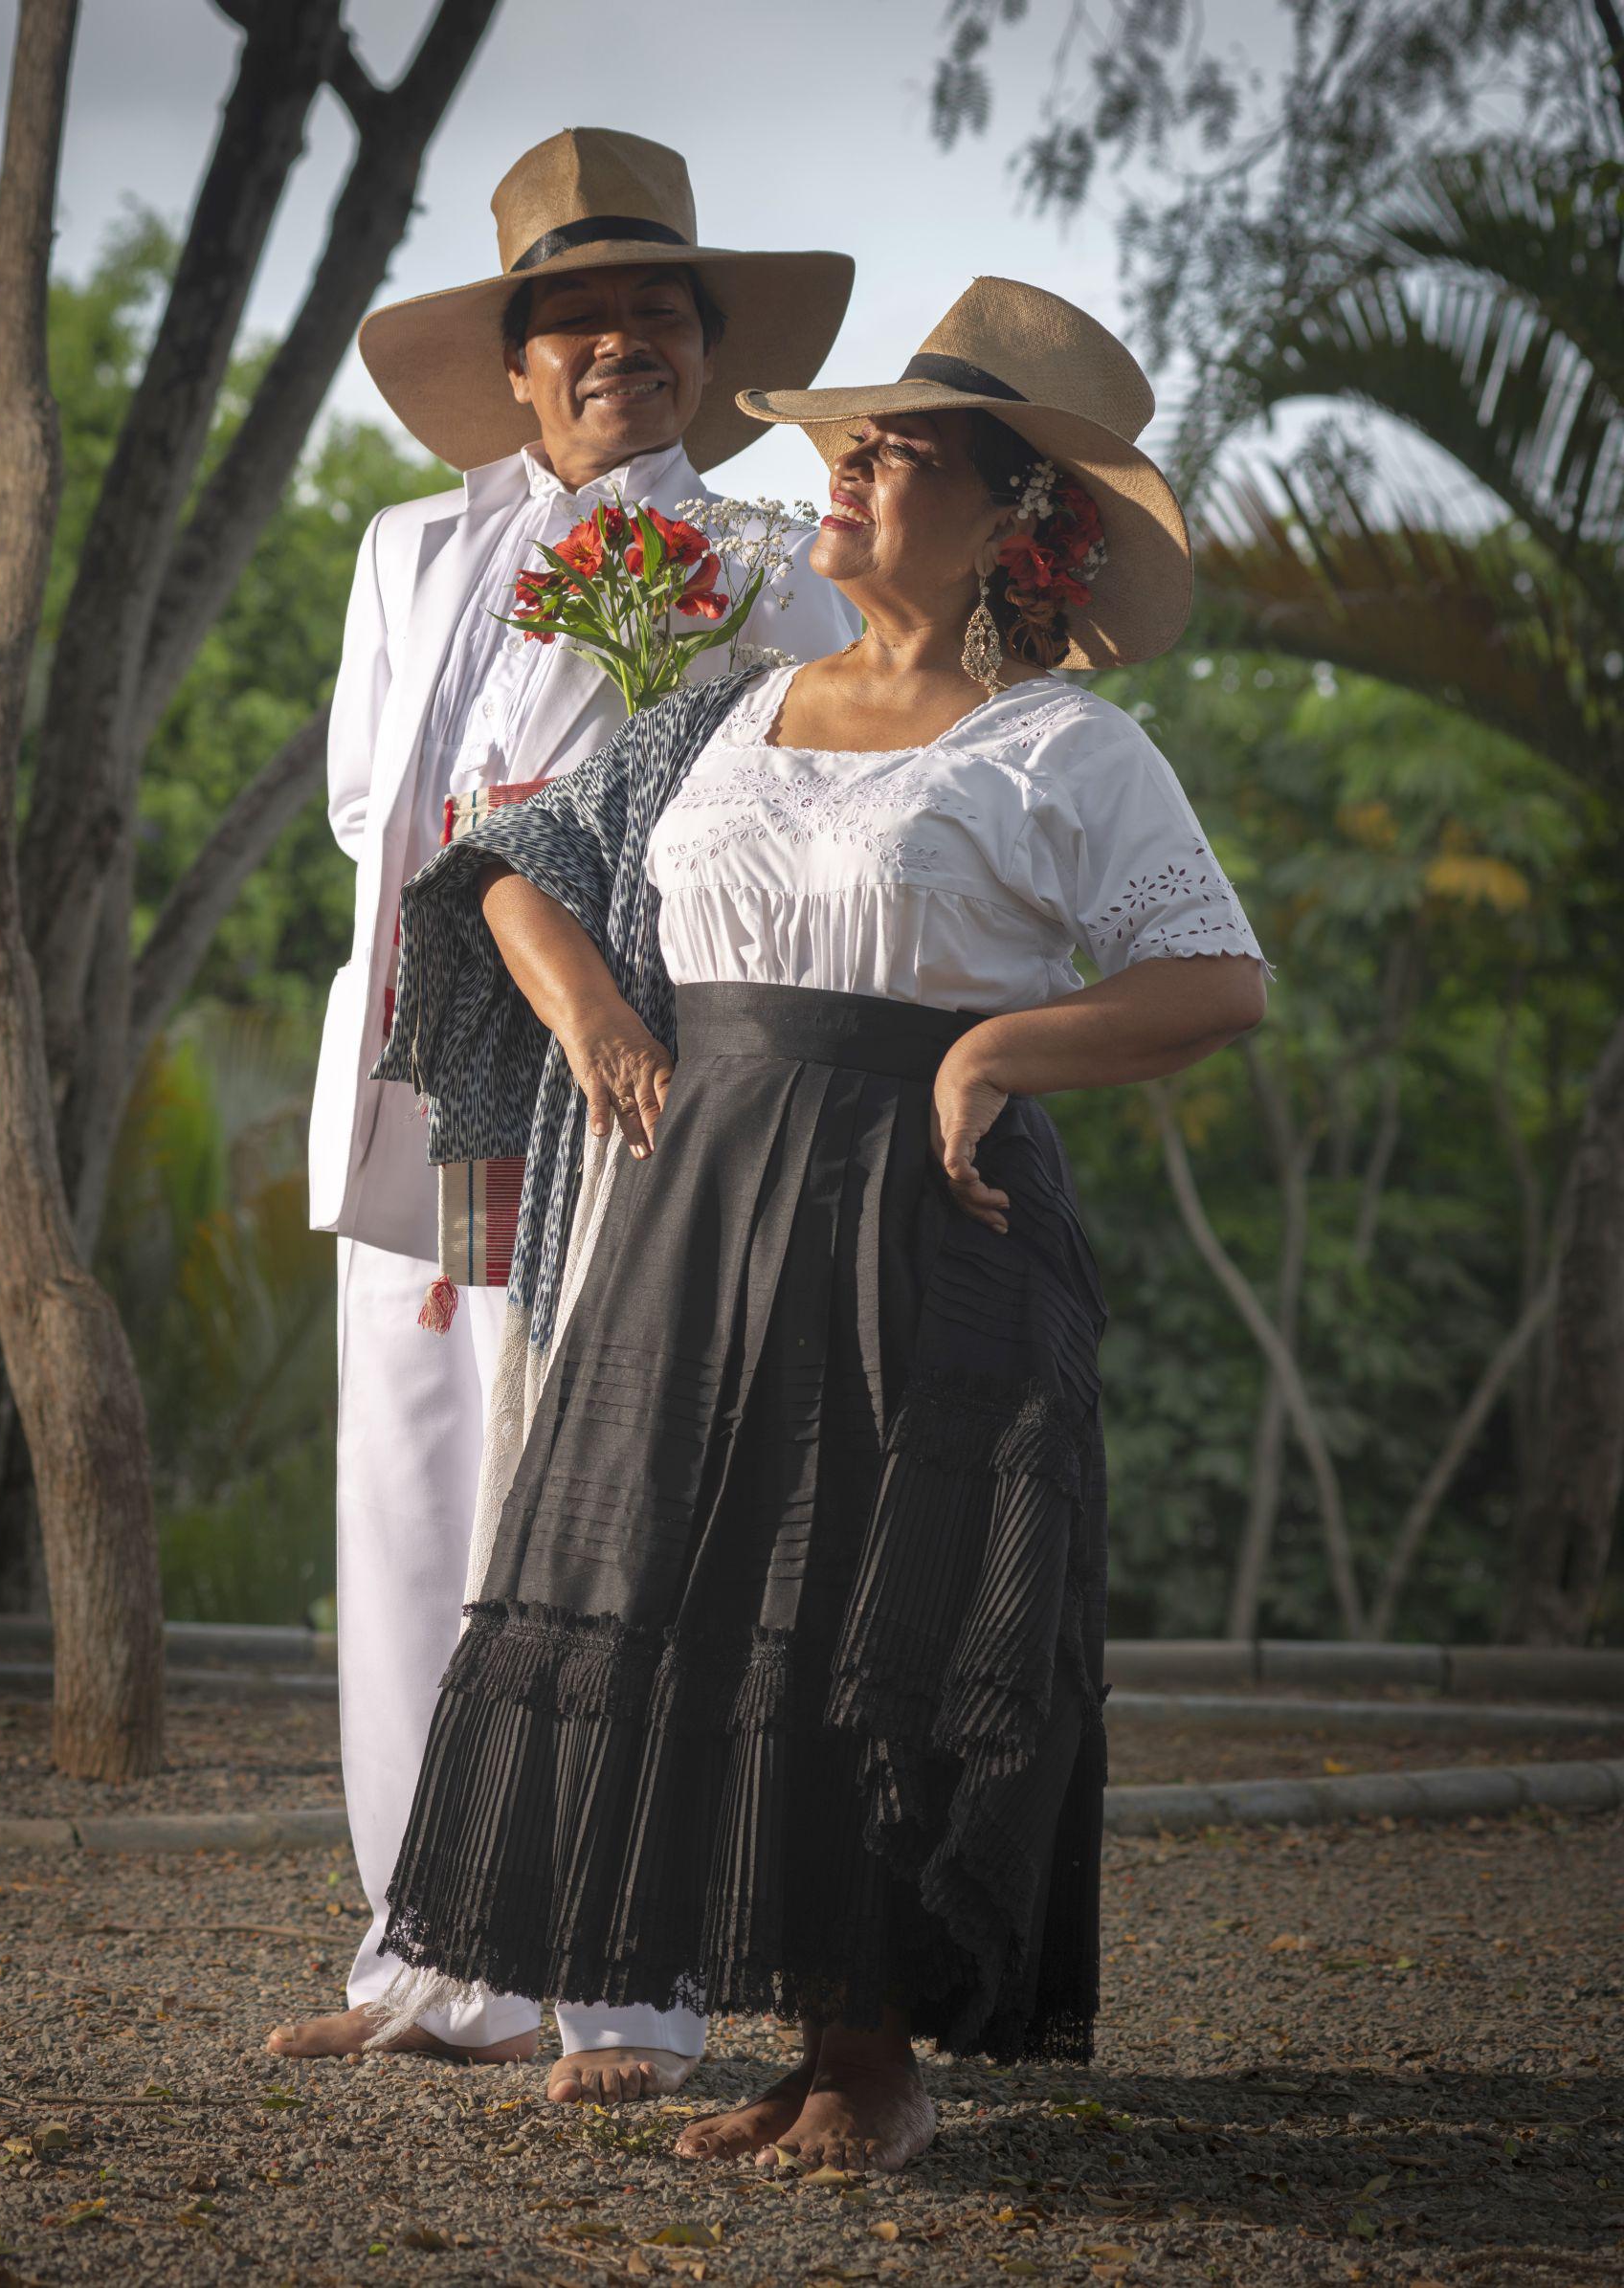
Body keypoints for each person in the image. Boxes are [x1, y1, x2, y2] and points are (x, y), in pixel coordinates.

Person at [362, 278, 1272, 2169]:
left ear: (1015, 516)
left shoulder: (1061, 747)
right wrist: (599, 1021)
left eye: (897, 451)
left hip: (927, 1217)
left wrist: (1001, 1047)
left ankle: (876, 2063)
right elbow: (510, 866)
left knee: (879, 1609)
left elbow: (1215, 978)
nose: (844, 470)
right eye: (848, 444)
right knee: (717, 1605)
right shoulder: (723, 707)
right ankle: (799, 2041)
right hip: (701, 1208)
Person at [269, 127, 856, 2105]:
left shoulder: (771, 560)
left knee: (618, 1496)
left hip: (638, 1064)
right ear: (514, 363)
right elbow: (370, 808)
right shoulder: (407, 550)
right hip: (430, 1055)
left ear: (707, 346)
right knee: (415, 1486)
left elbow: (801, 811)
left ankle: (624, 1989)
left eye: (658, 311)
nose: (622, 343)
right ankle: (437, 1960)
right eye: (578, 317)